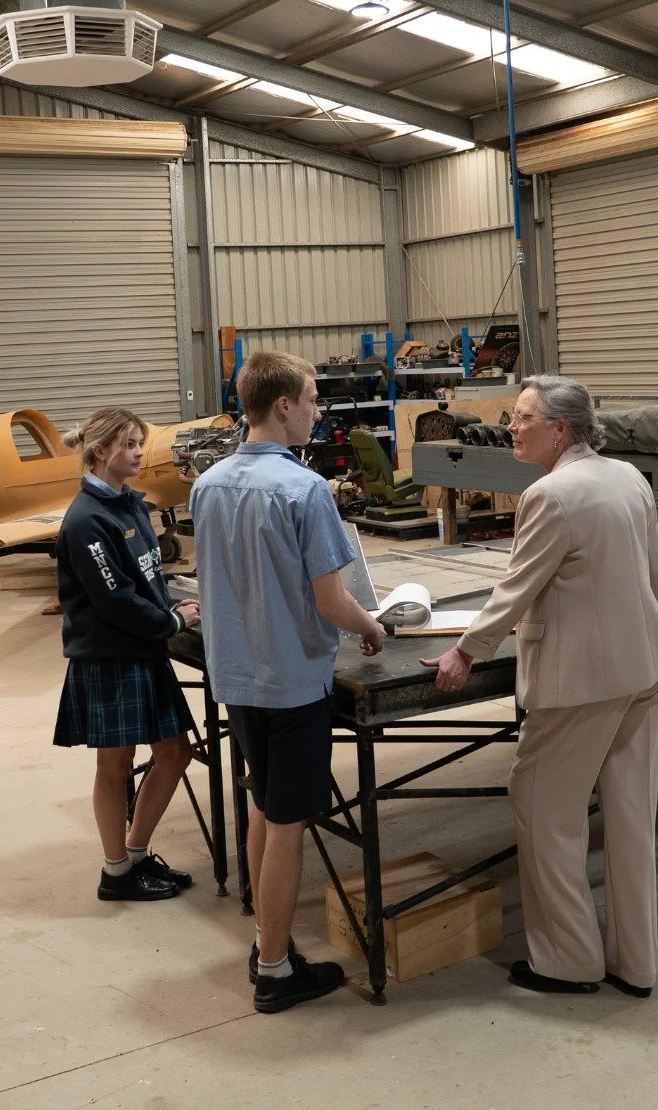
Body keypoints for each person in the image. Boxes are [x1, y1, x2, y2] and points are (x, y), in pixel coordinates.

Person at [422, 376, 658, 998]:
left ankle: (567, 959)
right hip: (643, 666)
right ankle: (635, 963)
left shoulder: (550, 494)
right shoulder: (627, 477)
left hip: (581, 681)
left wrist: (466, 650)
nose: (511, 426)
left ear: (559, 429)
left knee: (545, 809)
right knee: (628, 818)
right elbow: (656, 577)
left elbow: (517, 588)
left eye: (522, 417)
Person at [189, 350, 386, 1014]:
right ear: (282, 406)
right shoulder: (305, 490)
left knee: (265, 804)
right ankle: (274, 969)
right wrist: (373, 626)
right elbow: (332, 603)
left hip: (237, 677)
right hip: (293, 682)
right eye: (311, 398)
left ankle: (264, 937)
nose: (317, 409)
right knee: (288, 822)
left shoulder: (207, 483)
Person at [54, 407, 201, 903]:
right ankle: (115, 872)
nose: (141, 452)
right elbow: (114, 598)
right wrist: (172, 622)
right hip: (110, 656)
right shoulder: (85, 520)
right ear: (102, 451)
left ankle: (134, 854)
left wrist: (170, 604)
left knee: (175, 752)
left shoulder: (132, 504)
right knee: (115, 766)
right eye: (131, 444)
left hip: (142, 650)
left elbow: (147, 577)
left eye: (141, 442)